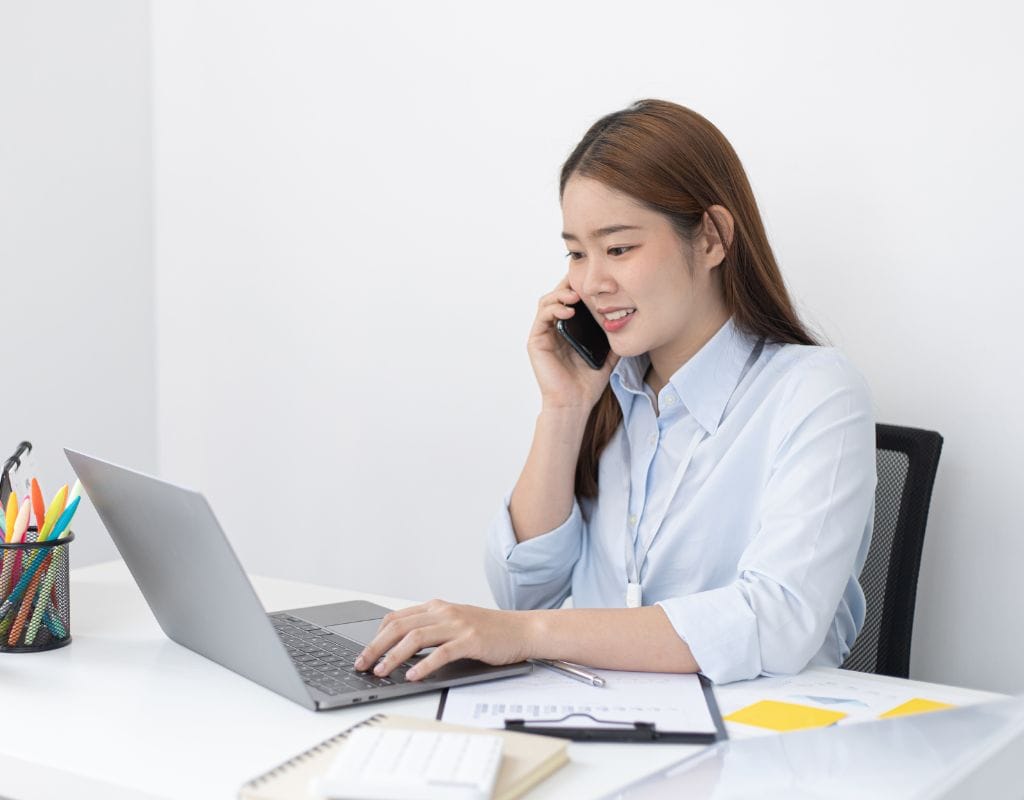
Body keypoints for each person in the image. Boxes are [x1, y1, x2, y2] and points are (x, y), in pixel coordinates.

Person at [354, 99, 876, 685]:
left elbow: (776, 621)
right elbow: (525, 589)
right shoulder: (610, 390)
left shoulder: (815, 392)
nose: (592, 282)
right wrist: (564, 408)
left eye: (619, 248)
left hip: (759, 743)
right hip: (599, 720)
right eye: (576, 252)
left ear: (711, 238)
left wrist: (529, 635)